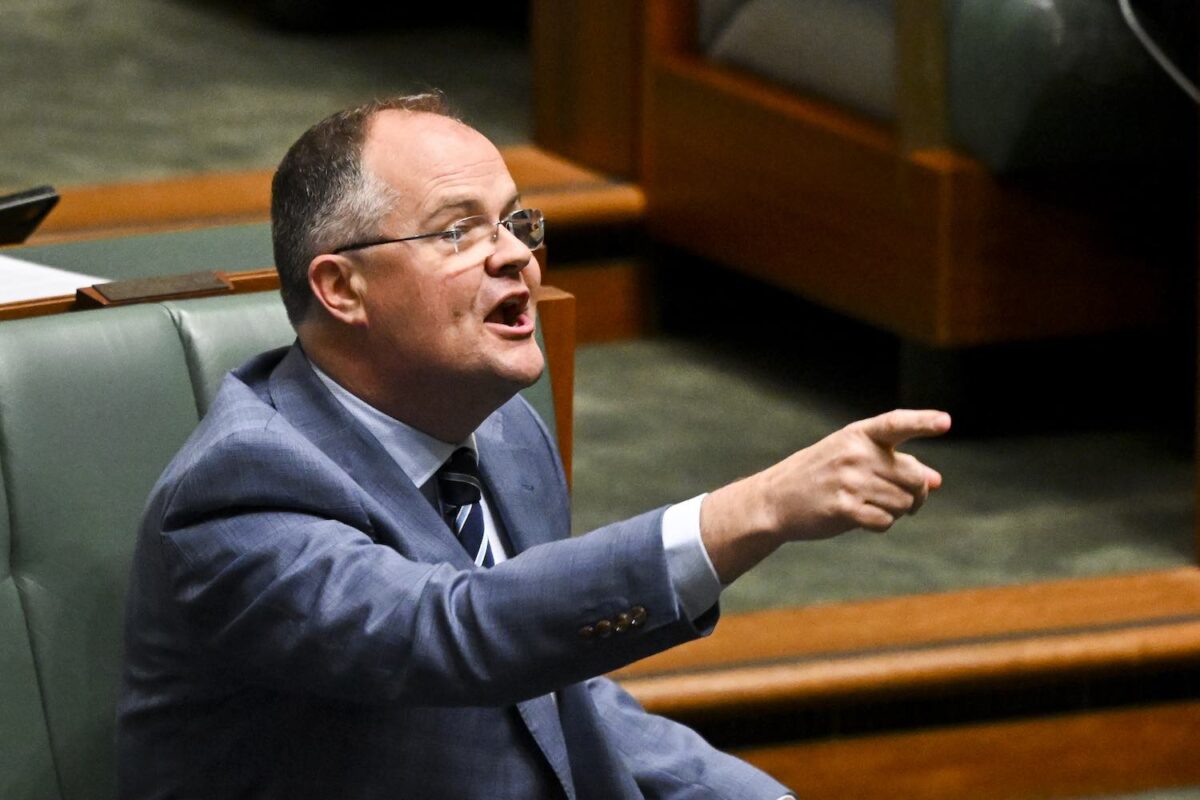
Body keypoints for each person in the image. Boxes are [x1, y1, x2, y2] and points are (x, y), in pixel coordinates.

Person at [117, 93, 951, 799]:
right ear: (341, 288)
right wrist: (754, 510)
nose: (518, 253)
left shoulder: (504, 432)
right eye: (458, 231)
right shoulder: (240, 491)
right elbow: (452, 632)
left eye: (515, 221)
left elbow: (558, 696)